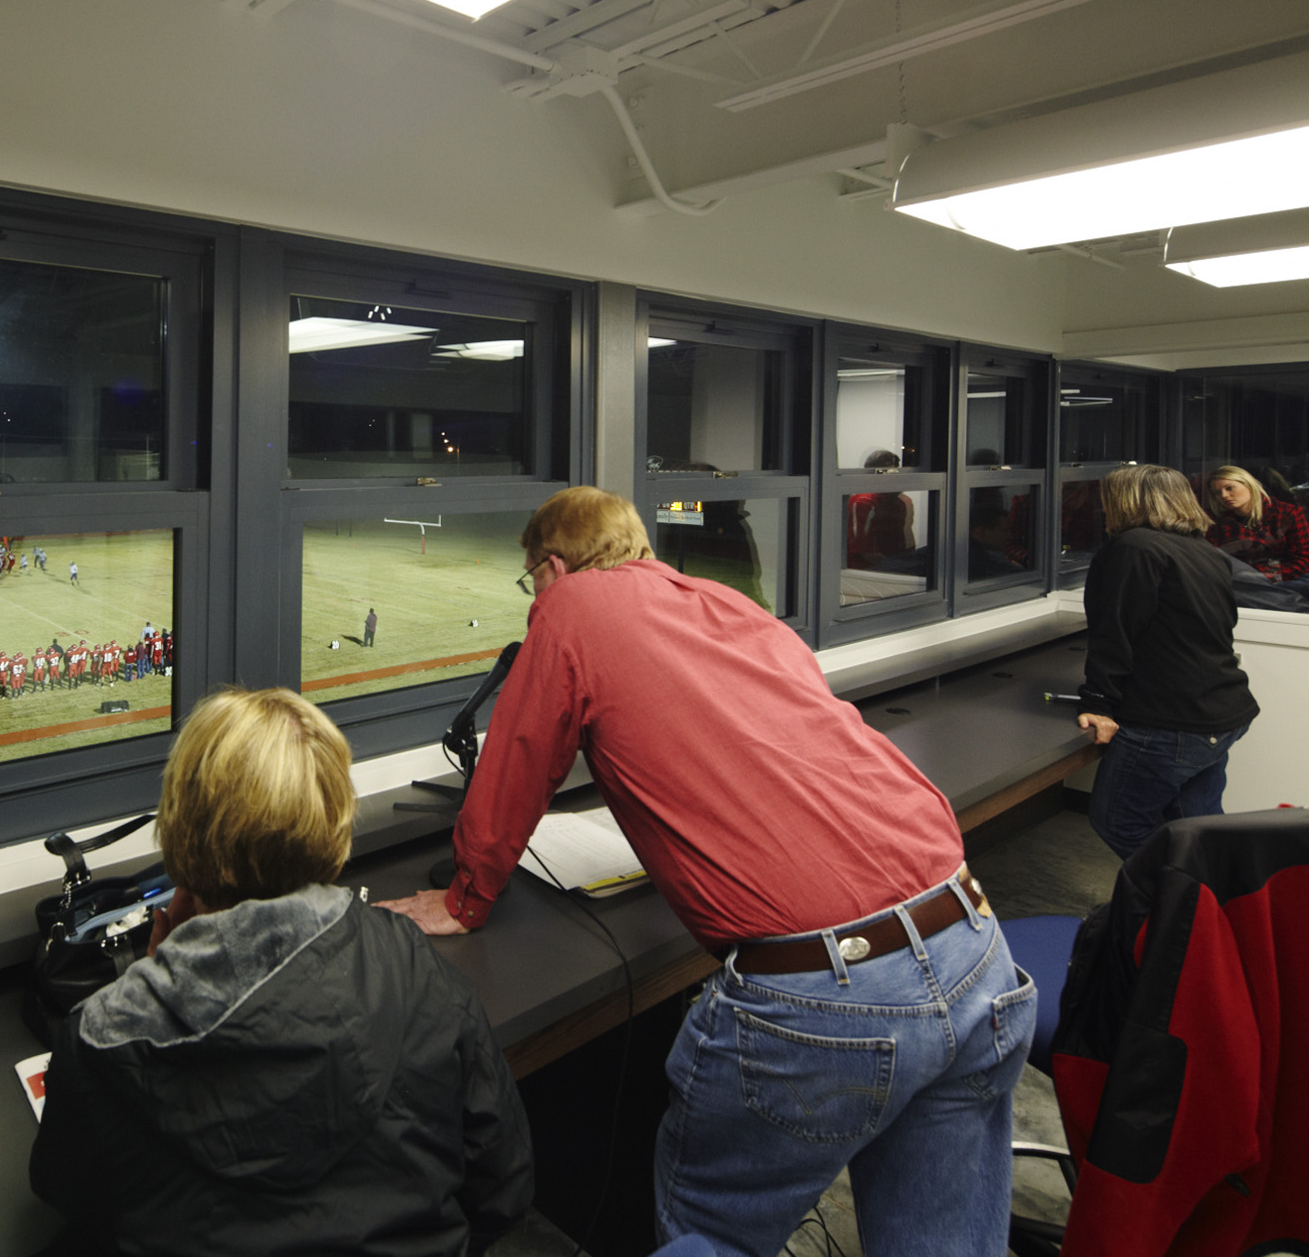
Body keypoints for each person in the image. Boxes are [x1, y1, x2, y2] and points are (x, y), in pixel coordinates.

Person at [379, 486, 1032, 1257]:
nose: (536, 595)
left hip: (829, 999)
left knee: (711, 1236)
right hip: (974, 943)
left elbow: (520, 757)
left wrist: (466, 896)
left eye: (532, 579)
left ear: (552, 566)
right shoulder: (726, 603)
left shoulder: (572, 606)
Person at [30, 686, 532, 1256]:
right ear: (333, 817)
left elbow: (66, 1193)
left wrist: (159, 982)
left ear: (178, 827)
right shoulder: (414, 968)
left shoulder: (101, 1036)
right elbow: (503, 1188)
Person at [1078, 465, 1259, 859]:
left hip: (1172, 722)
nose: (1104, 510)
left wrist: (1097, 703)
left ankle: (1179, 904)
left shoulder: (1134, 548)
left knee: (1118, 821)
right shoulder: (1203, 551)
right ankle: (1215, 910)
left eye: (1108, 501)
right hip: (1223, 710)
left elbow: (1115, 634)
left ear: (1128, 502)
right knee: (1199, 829)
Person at [1204, 463, 1309, 599]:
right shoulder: (1215, 522)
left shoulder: (1286, 513)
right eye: (1217, 493)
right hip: (1240, 583)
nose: (1224, 495)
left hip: (1286, 579)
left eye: (1229, 488)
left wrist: (1265, 575)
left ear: (1248, 485)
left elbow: (1304, 559)